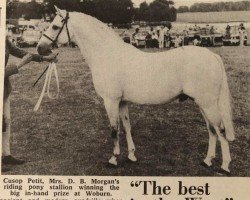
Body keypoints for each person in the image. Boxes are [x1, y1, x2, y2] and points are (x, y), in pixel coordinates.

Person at [2, 36, 58, 172]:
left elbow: (22, 53)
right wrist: (20, 65)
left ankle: (6, 155)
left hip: (3, 89)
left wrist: (45, 58)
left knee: (6, 121)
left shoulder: (4, 38)